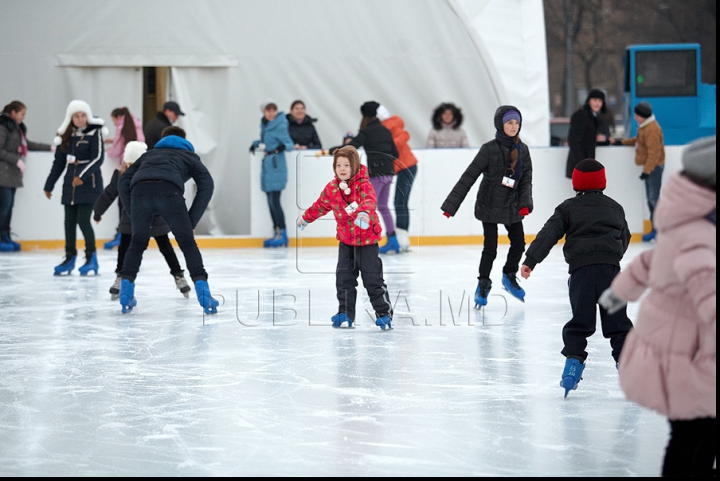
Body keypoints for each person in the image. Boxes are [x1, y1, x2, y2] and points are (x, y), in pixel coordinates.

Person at [599, 136, 716, 477]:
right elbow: (709, 294)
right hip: (689, 354)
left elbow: (647, 264)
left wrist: (617, 292)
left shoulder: (686, 222)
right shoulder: (698, 235)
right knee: (695, 431)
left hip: (678, 346)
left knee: (692, 431)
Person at [520, 158, 633, 398]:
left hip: (582, 275)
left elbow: (548, 234)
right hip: (611, 275)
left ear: (576, 183)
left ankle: (573, 363)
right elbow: (625, 236)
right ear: (603, 182)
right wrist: (613, 257)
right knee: (618, 323)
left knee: (580, 321)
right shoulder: (615, 207)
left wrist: (531, 260)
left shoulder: (568, 208)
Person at [117, 126, 217, 314]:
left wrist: (133, 213)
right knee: (187, 243)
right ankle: (204, 293)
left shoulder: (148, 156)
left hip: (140, 192)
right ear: (184, 140)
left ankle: (126, 292)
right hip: (169, 191)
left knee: (137, 241)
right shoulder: (190, 157)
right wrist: (191, 221)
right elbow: (207, 184)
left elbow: (123, 181)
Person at [441, 106, 533, 308]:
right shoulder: (489, 149)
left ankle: (509, 275)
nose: (513, 126)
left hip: (512, 205)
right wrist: (451, 205)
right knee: (489, 248)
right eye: (509, 122)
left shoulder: (523, 150)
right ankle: (483, 284)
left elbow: (526, 180)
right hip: (489, 204)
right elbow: (469, 176)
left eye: (516, 123)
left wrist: (525, 204)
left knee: (519, 244)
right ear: (501, 124)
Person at [298, 145, 393, 330]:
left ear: (355, 166)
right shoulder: (332, 188)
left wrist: (364, 213)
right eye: (338, 165)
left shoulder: (364, 184)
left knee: (372, 280)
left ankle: (384, 314)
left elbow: (369, 200)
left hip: (367, 242)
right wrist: (305, 219)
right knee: (344, 279)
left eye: (346, 165)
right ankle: (345, 313)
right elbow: (320, 206)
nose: (342, 169)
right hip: (346, 242)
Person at [93, 141, 191, 301]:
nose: (133, 166)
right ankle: (121, 277)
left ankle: (178, 275)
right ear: (126, 162)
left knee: (165, 247)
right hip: (130, 219)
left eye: (136, 162)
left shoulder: (155, 176)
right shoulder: (121, 176)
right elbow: (109, 194)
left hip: (156, 218)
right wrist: (98, 211)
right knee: (124, 248)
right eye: (130, 163)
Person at [44, 100, 106, 276]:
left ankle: (91, 258)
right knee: (69, 223)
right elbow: (59, 163)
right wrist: (49, 185)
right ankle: (69, 257)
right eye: (76, 116)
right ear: (71, 118)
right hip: (69, 185)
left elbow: (98, 158)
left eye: (83, 115)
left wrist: (82, 176)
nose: (80, 119)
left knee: (83, 220)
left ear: (88, 116)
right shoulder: (66, 135)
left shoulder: (95, 132)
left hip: (89, 185)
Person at [330, 101, 399, 253]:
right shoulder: (385, 131)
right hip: (388, 174)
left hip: (376, 175)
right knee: (382, 206)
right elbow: (396, 154)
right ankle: (393, 240)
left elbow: (351, 147)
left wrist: (335, 151)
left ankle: (361, 240)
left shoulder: (366, 132)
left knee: (362, 203)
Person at [0, 100, 52, 252]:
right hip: (3, 174)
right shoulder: (3, 126)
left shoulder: (17, 129)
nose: (23, 117)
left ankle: (6, 235)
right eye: (22, 114)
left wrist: (50, 148)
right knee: (4, 207)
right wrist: (16, 160)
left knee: (9, 207)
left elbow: (27, 145)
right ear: (13, 113)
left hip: (12, 175)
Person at [614, 101, 665, 242]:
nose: (635, 117)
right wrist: (621, 142)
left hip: (654, 168)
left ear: (643, 115)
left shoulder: (652, 129)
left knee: (654, 200)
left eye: (637, 114)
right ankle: (655, 229)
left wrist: (647, 171)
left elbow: (654, 153)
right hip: (651, 168)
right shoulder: (645, 127)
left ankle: (660, 230)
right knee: (651, 200)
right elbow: (639, 141)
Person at [250, 99, 295, 248]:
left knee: (275, 201)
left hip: (277, 165)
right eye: (268, 111)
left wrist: (283, 146)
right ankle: (276, 232)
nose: (271, 113)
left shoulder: (280, 124)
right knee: (270, 202)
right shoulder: (265, 124)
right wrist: (256, 144)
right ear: (264, 112)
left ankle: (283, 234)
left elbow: (289, 144)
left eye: (273, 110)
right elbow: (265, 141)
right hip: (268, 165)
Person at [376, 104, 417, 253]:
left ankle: (402, 238)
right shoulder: (388, 126)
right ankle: (401, 238)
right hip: (404, 168)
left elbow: (404, 136)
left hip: (407, 167)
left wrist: (389, 145)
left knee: (400, 201)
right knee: (400, 201)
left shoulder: (389, 127)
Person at [103, 106, 145, 250]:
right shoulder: (137, 125)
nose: (114, 123)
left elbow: (116, 151)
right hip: (139, 170)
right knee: (132, 203)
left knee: (123, 203)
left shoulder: (122, 127)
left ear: (118, 117)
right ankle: (131, 235)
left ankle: (122, 235)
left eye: (113, 120)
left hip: (126, 170)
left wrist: (109, 149)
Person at [565, 89, 607, 178]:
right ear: (588, 101)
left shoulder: (595, 117)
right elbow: (574, 140)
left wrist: (607, 142)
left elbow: (589, 140)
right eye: (595, 100)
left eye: (600, 101)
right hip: (581, 164)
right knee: (582, 189)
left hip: (588, 163)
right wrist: (582, 164)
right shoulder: (581, 115)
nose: (597, 103)